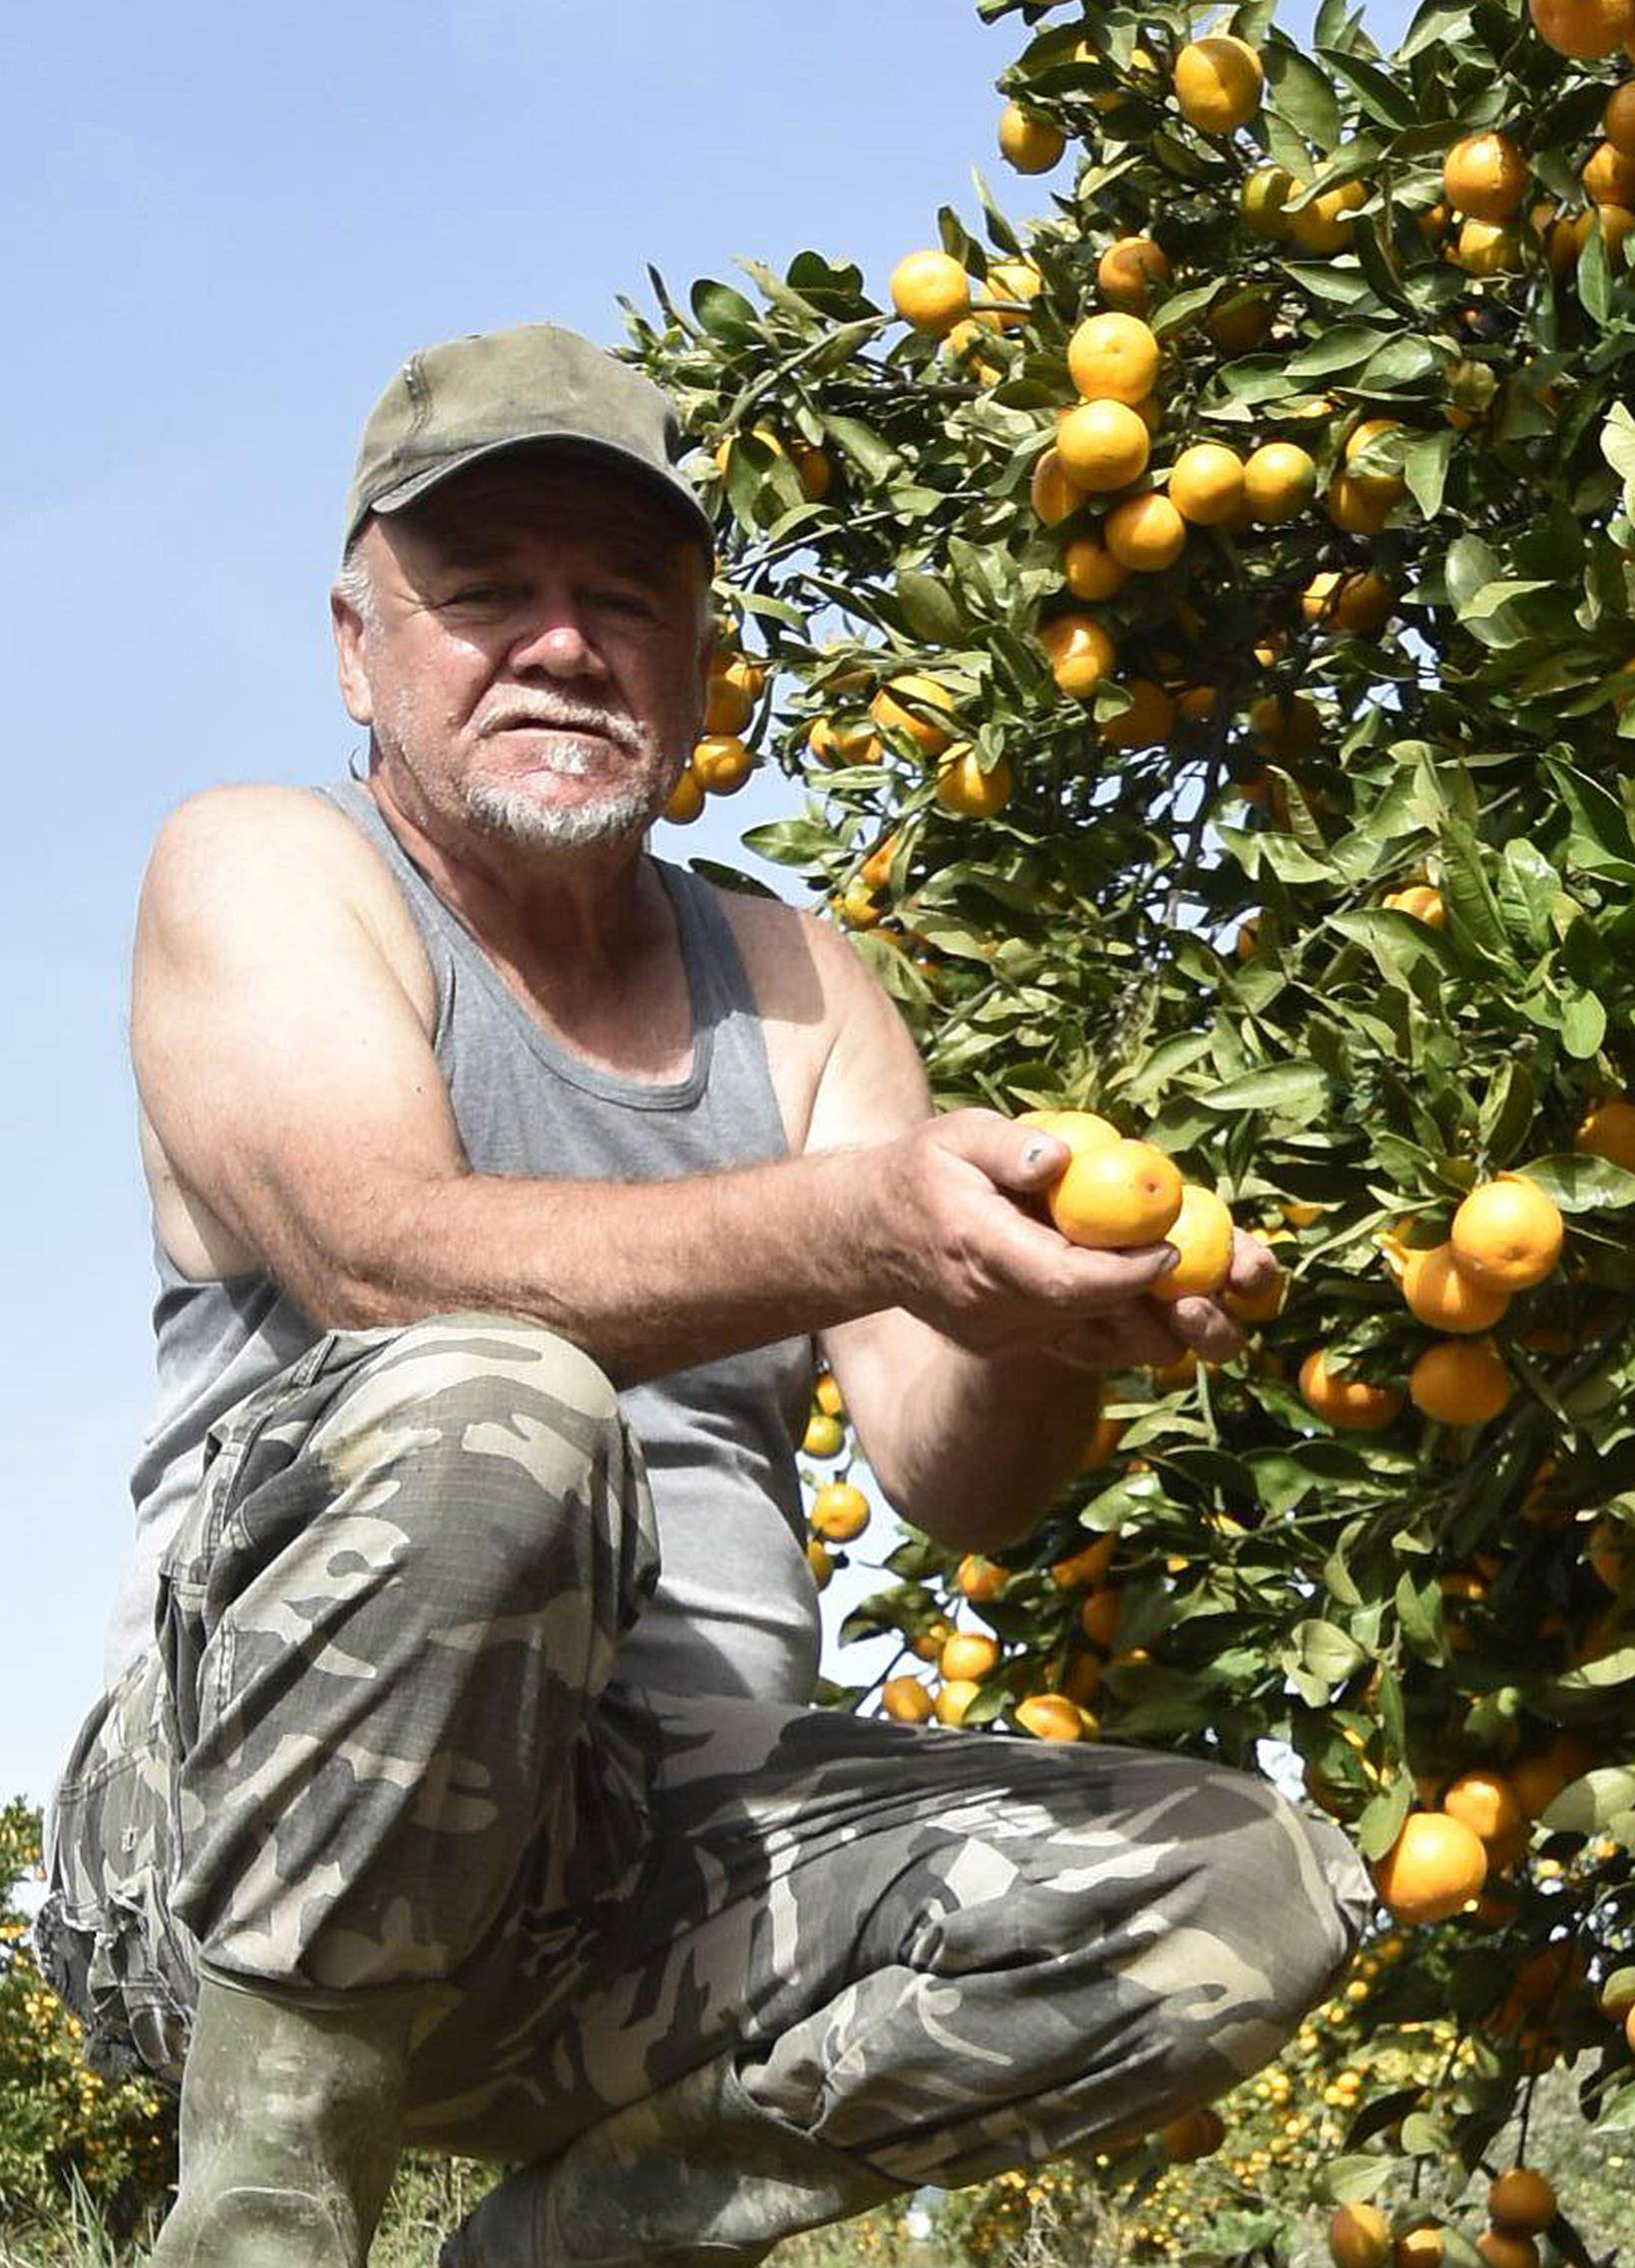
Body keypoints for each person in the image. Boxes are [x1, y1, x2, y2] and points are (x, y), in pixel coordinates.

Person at [36, 321, 1373, 2268]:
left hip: (645, 1888)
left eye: (624, 598)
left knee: (1252, 1887)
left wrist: (1041, 1322)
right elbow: (375, 1256)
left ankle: (591, 2246)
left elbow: (950, 1476)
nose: (561, 643)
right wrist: (867, 1225)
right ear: (356, 646)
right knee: (496, 1404)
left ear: (694, 655)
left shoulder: (799, 978)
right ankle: (265, 2215)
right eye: (485, 592)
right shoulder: (268, 868)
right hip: (240, 1857)